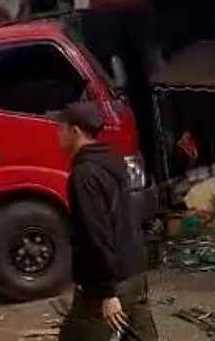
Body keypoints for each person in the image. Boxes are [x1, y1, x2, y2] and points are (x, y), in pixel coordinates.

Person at [55, 102, 159, 341]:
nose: (57, 136)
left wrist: (106, 292)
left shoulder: (84, 174)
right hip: (133, 272)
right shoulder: (114, 163)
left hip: (108, 283)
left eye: (60, 129)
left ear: (75, 131)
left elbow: (95, 234)